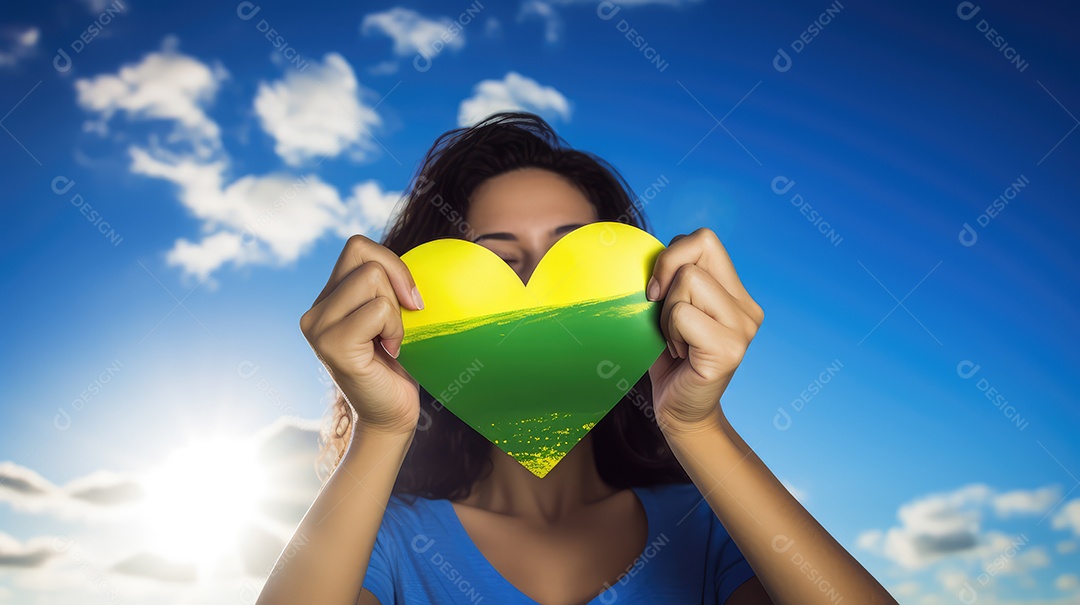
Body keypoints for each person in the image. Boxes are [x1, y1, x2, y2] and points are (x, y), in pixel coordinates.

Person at [256, 113, 896, 605]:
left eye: (575, 265)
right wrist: (383, 427)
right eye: (497, 265)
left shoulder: (709, 528)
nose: (538, 299)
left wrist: (699, 425)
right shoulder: (386, 541)